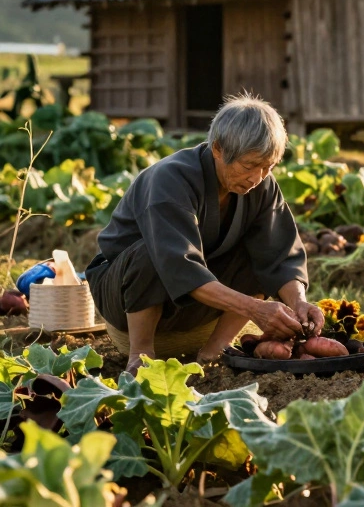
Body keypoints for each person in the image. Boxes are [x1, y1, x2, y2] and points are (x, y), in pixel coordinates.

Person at [88, 94, 322, 373]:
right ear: (218, 149)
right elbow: (179, 266)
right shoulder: (170, 179)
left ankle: (214, 350)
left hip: (194, 301)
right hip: (126, 292)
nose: (257, 178)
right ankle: (141, 356)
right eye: (249, 166)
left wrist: (299, 302)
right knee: (152, 253)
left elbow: (280, 256)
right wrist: (254, 310)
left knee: (257, 252)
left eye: (267, 167)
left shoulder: (262, 186)